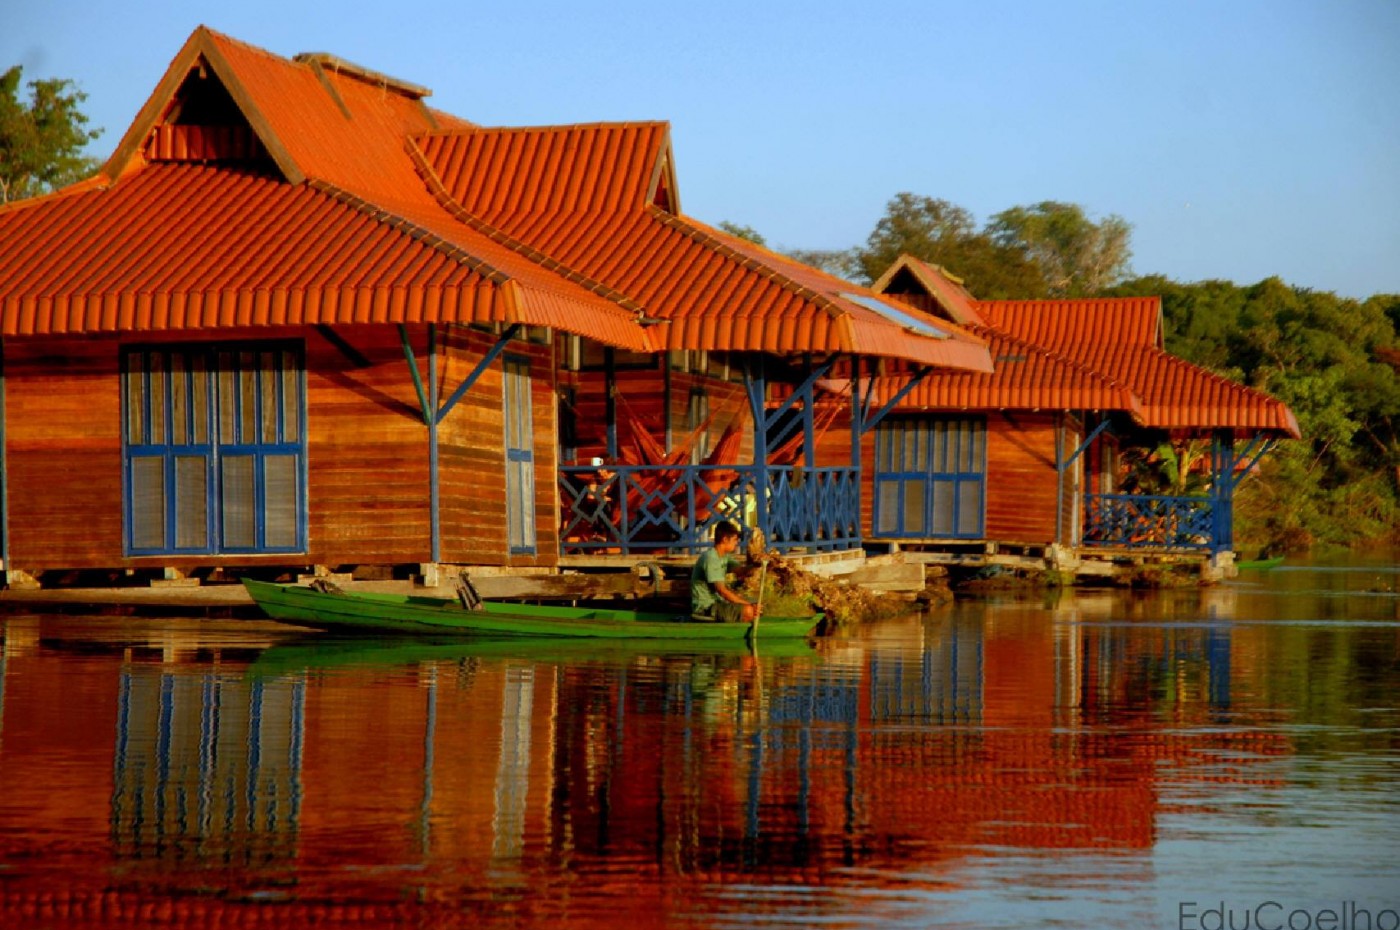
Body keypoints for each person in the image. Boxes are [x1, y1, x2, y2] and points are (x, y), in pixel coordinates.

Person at [691, 520, 759, 622]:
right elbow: (722, 591)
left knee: (758, 604)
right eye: (735, 539)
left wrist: (756, 565)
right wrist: (747, 604)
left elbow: (740, 571)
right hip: (707, 608)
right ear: (725, 539)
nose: (737, 543)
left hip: (719, 603)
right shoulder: (711, 558)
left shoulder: (724, 556)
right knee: (749, 610)